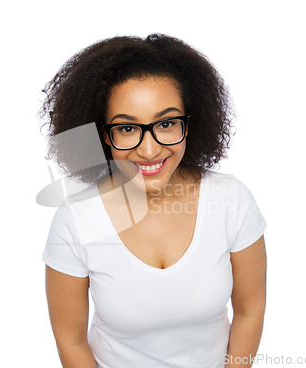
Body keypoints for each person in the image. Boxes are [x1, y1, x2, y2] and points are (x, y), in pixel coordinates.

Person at [40, 34, 267, 368]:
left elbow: (250, 311)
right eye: (128, 129)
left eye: (166, 123)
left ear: (190, 122)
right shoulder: (77, 219)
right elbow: (70, 341)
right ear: (104, 134)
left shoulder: (230, 201)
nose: (149, 150)